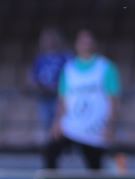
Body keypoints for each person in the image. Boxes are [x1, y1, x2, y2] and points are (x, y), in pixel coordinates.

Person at [44, 29, 120, 171]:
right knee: (50, 152)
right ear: (76, 45)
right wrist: (57, 122)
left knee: (95, 167)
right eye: (82, 42)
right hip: (71, 127)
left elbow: (113, 100)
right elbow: (62, 99)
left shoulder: (106, 68)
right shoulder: (68, 69)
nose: (85, 45)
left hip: (95, 129)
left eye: (88, 42)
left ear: (94, 44)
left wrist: (110, 126)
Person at [27, 27, 71, 138]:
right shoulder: (40, 59)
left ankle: (62, 143)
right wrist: (36, 85)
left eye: (50, 39)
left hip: (59, 97)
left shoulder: (65, 57)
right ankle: (50, 144)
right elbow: (33, 76)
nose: (48, 42)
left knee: (62, 123)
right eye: (45, 39)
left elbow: (71, 75)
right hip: (44, 96)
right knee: (46, 123)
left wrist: (58, 87)